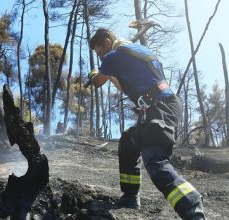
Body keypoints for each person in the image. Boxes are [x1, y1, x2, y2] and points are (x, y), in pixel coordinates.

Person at [88, 28, 205, 220]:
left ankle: (193, 209)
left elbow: (98, 81)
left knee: (155, 159)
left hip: (161, 107)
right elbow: (121, 83)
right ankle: (130, 197)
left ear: (107, 42)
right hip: (161, 106)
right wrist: (108, 74)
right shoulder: (136, 52)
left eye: (99, 52)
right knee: (128, 141)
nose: (100, 57)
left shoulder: (114, 56)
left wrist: (94, 73)